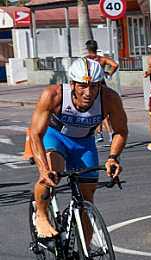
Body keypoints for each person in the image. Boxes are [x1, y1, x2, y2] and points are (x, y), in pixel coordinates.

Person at [29, 58, 127, 240]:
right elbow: (35, 134)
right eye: (82, 86)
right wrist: (43, 170)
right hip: (56, 138)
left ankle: (86, 255)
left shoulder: (109, 99)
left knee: (87, 197)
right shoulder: (53, 96)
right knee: (53, 174)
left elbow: (120, 131)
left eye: (94, 86)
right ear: (72, 83)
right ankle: (41, 214)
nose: (88, 92)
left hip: (84, 142)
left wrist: (113, 157)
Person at [82, 40, 119, 143]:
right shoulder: (102, 59)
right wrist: (109, 74)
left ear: (87, 49)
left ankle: (109, 132)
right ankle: (99, 133)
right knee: (99, 110)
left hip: (91, 87)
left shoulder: (85, 60)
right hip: (102, 85)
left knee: (99, 111)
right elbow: (115, 65)